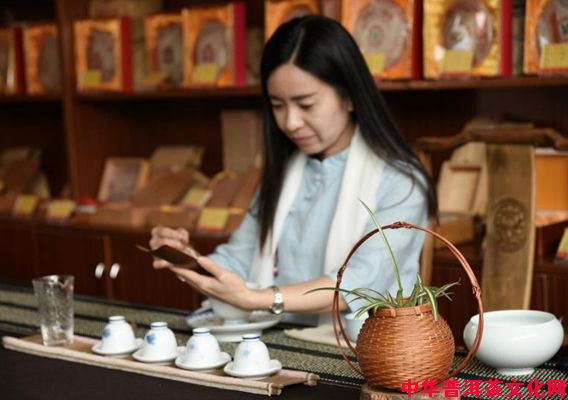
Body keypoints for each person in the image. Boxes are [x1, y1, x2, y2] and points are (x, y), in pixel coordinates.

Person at [150, 15, 436, 325]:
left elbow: (359, 283)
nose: (290, 122)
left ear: (350, 98)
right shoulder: (285, 174)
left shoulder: (401, 182)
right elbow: (238, 261)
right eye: (278, 105)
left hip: (366, 347)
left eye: (306, 104)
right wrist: (186, 258)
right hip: (280, 342)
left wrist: (260, 299)